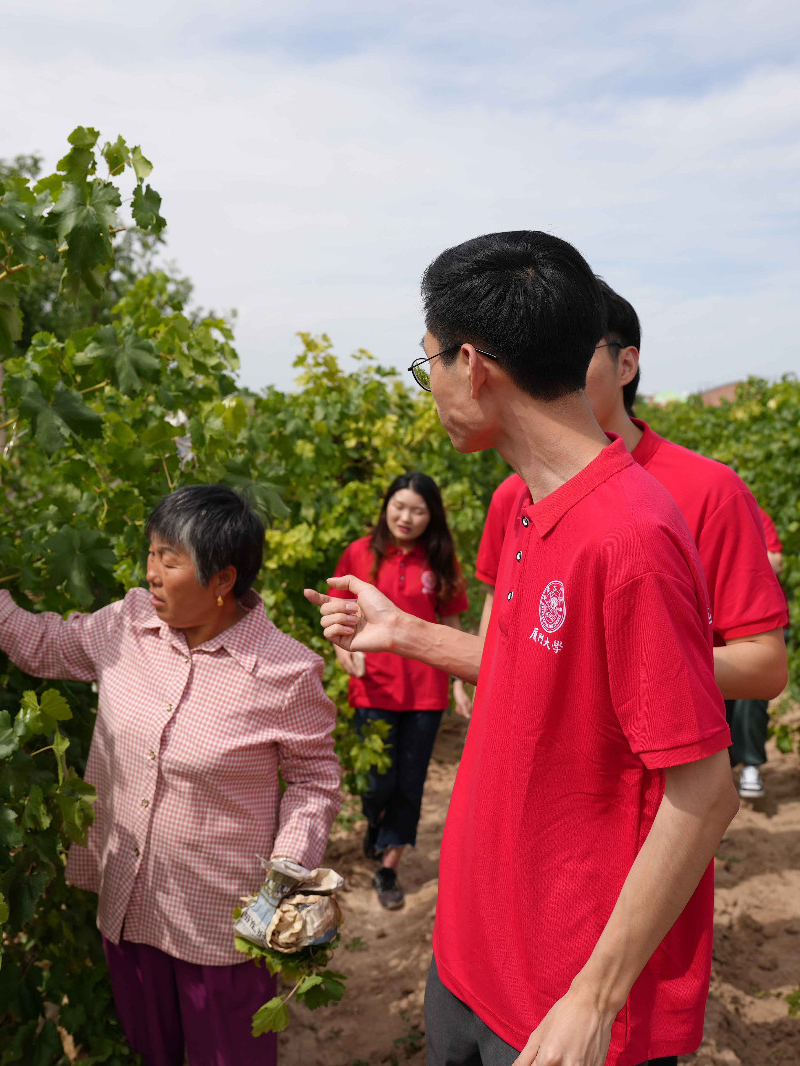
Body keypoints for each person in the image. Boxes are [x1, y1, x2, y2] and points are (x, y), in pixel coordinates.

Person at [307, 231, 740, 1066]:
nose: (428, 385)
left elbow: (705, 791)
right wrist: (404, 633)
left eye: (426, 362)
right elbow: (545, 678)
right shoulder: (530, 505)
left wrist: (594, 996)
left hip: (558, 1005)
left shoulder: (630, 538)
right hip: (473, 959)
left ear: (473, 366)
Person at [0, 485, 341, 1066]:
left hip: (221, 924)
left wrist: (285, 876)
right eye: (150, 553)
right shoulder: (126, 624)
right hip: (131, 903)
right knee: (154, 1053)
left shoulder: (284, 671)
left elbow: (315, 778)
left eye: (170, 561)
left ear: (222, 580)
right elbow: (45, 644)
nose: (151, 572)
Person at [471, 282, 789, 806]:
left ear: (626, 365)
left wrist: (610, 665)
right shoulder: (514, 492)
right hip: (522, 776)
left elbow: (763, 666)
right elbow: (497, 621)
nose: (553, 366)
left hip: (639, 795)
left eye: (576, 347)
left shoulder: (711, 490)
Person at [330, 472, 470, 910]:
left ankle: (388, 866)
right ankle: (378, 826)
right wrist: (339, 653)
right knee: (377, 783)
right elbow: (338, 611)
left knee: (410, 782)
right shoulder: (359, 552)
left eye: (418, 510)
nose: (406, 517)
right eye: (399, 506)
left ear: (433, 517)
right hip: (374, 687)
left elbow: (452, 627)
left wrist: (459, 682)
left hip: (425, 693)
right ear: (386, 504)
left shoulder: (442, 561)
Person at [727, 505, 786, 798]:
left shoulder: (754, 514)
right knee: (715, 701)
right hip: (711, 622)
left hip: (752, 619)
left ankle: (751, 763)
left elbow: (775, 560)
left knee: (751, 693)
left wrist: (735, 559)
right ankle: (723, 770)